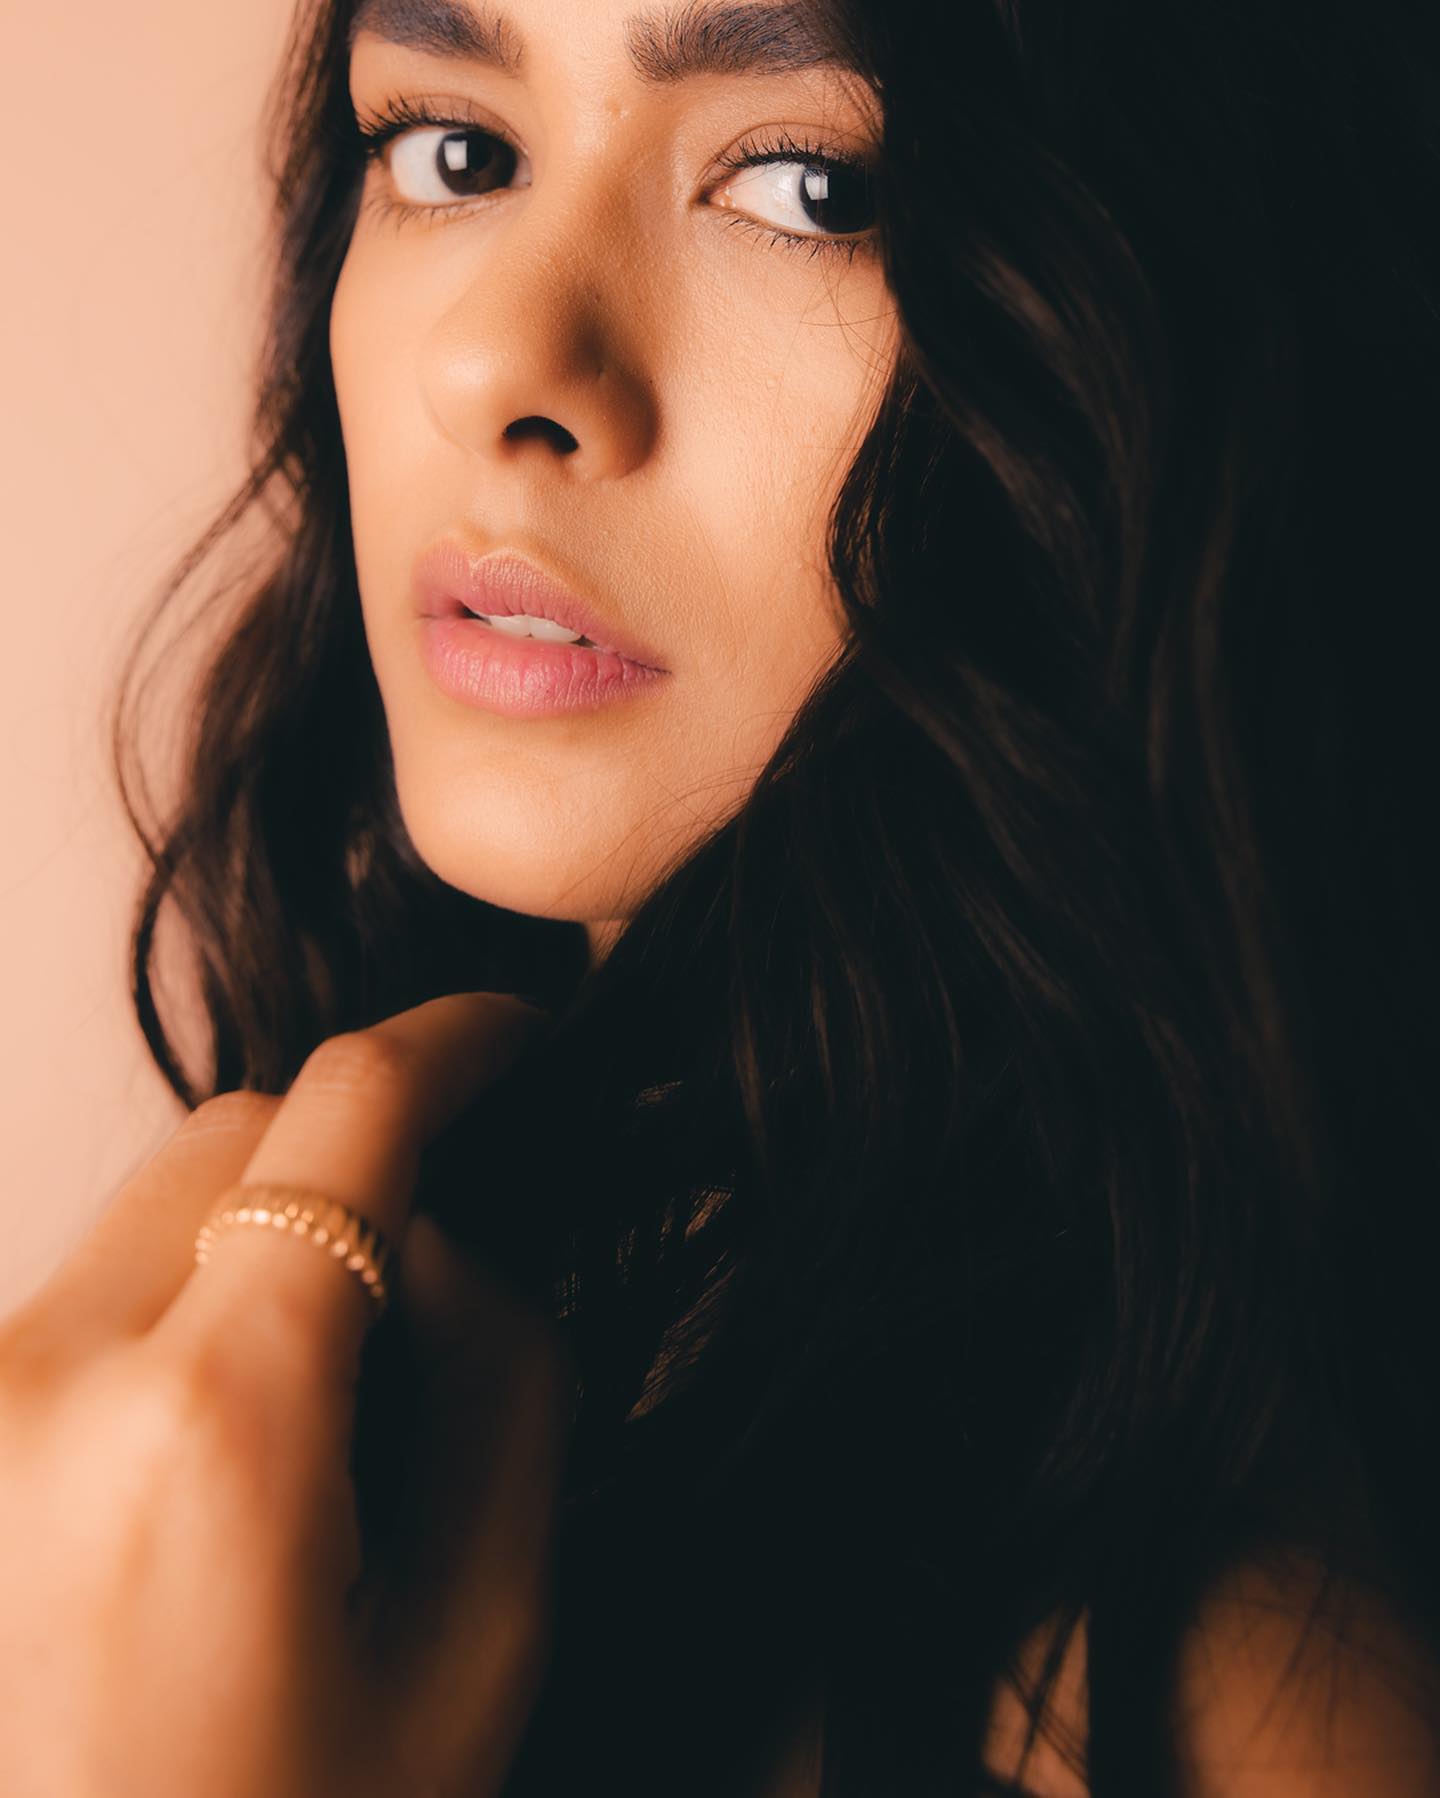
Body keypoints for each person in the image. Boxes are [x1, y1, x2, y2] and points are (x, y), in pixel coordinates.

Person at [2, 0, 1438, 1792]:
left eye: (809, 186)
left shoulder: (1212, 1706)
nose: (499, 362)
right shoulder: (458, 1324)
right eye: (457, 149)